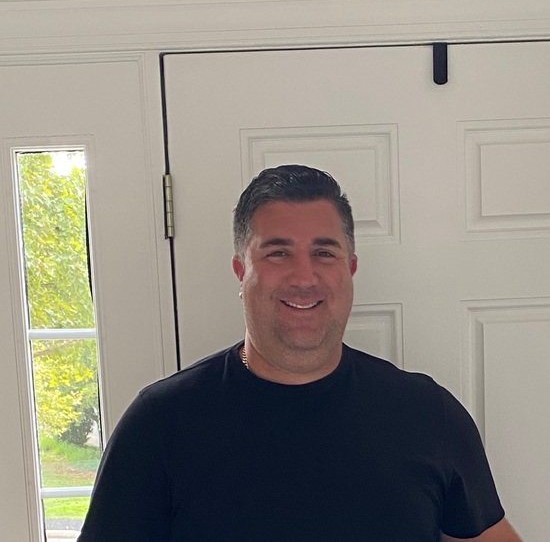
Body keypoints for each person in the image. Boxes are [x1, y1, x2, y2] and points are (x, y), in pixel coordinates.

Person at [78, 165, 521, 541]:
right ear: (241, 271)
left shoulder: (427, 414)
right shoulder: (160, 423)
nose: (304, 277)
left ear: (350, 268)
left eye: (324, 253)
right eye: (278, 253)